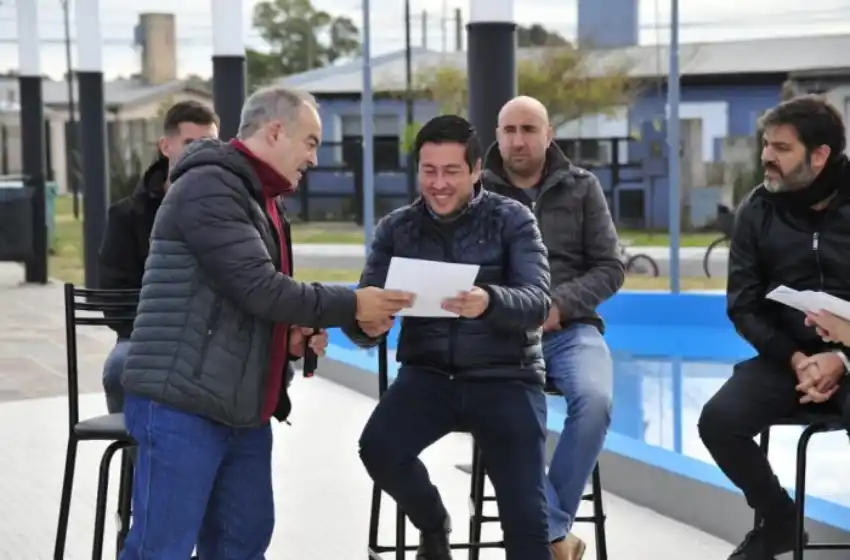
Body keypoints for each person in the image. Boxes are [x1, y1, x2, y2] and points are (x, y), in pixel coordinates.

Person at [119, 86, 414, 560]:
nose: (314, 158)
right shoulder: (209, 186)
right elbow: (259, 288)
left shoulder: (262, 198)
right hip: (183, 404)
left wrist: (291, 336)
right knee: (161, 549)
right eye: (312, 142)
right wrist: (354, 304)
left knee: (243, 542)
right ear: (276, 131)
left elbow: (247, 301)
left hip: (241, 407)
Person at [346, 115, 553, 560]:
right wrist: (369, 325)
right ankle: (434, 522)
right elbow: (362, 309)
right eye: (429, 171)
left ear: (477, 170)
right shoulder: (396, 229)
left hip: (506, 376)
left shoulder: (513, 219)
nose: (438, 184)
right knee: (378, 449)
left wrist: (490, 301)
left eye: (451, 171)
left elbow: (537, 301)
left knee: (526, 524)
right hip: (429, 374)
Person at [697, 94, 850, 560]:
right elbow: (743, 305)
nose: (767, 156)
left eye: (781, 148)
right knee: (719, 421)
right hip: (788, 358)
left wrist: (841, 358)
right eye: (767, 145)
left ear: (819, 156)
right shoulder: (758, 209)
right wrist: (798, 358)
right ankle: (780, 522)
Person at [482, 95, 624, 560]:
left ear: (549, 135)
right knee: (497, 413)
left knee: (597, 400)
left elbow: (610, 267)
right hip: (501, 333)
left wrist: (559, 306)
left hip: (571, 328)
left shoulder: (582, 188)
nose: (518, 140)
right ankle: (556, 535)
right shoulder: (476, 192)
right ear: (497, 135)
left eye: (528, 129)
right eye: (509, 130)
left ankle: (544, 531)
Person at [98, 100, 220, 414]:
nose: (201, 153)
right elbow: (115, 297)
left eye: (209, 145)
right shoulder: (126, 216)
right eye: (191, 144)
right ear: (166, 146)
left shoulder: (230, 212)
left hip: (213, 338)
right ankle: (142, 459)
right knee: (120, 368)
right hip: (144, 338)